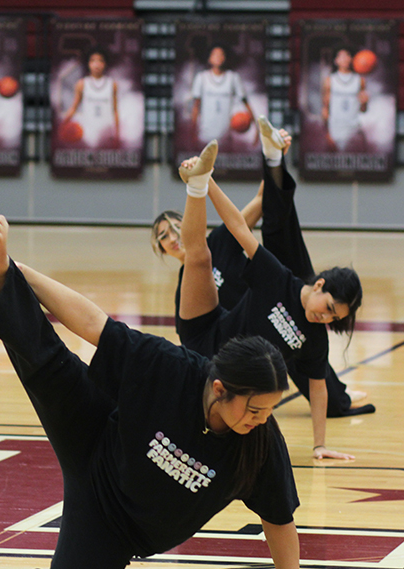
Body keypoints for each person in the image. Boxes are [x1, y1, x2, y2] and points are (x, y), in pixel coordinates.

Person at [0, 215, 303, 569]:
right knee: (47, 365)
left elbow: (279, 521)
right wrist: (21, 274)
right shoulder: (170, 368)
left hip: (113, 524)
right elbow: (94, 323)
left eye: (268, 412)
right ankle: (1, 271)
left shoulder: (260, 448)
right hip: (94, 435)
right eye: (254, 410)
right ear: (220, 388)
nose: (259, 421)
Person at [152, 117, 373, 420]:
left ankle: (271, 157)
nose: (172, 237)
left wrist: (276, 162)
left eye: (176, 227)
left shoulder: (218, 241)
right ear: (161, 250)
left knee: (282, 235)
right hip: (245, 340)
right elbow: (194, 339)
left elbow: (259, 204)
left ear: (189, 220)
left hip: (275, 304)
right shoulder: (187, 286)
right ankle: (338, 397)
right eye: (163, 236)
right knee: (303, 356)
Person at [190, 44, 255, 145]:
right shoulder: (201, 77)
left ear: (225, 58)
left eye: (221, 54)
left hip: (226, 136)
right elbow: (196, 107)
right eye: (215, 54)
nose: (218, 57)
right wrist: (193, 132)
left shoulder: (233, 77)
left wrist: (256, 129)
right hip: (205, 135)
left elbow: (246, 103)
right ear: (209, 58)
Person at [61, 47, 119, 147]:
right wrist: (64, 123)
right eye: (93, 60)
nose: (96, 64)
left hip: (106, 132)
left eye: (100, 60)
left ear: (105, 64)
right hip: (87, 132)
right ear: (88, 64)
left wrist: (117, 133)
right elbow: (74, 107)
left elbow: (115, 110)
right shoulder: (82, 84)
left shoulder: (111, 84)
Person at [321, 46, 368, 152]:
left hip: (353, 127)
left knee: (355, 161)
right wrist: (327, 132)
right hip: (335, 127)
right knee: (334, 162)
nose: (344, 59)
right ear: (336, 60)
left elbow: (363, 109)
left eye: (347, 56)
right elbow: (325, 109)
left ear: (351, 59)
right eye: (341, 56)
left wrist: (365, 103)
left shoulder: (359, 80)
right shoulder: (330, 80)